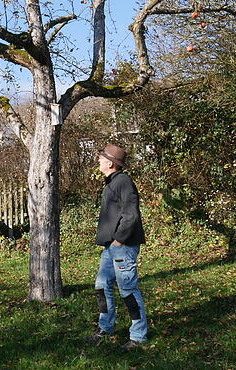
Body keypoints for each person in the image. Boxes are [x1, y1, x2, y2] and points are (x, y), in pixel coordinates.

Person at [87, 144, 148, 350]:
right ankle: (106, 327)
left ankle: (138, 336)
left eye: (101, 158)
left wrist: (119, 240)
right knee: (102, 285)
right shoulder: (113, 182)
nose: (98, 160)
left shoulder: (123, 182)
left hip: (123, 246)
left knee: (128, 290)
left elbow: (131, 215)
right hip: (111, 248)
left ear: (111, 164)